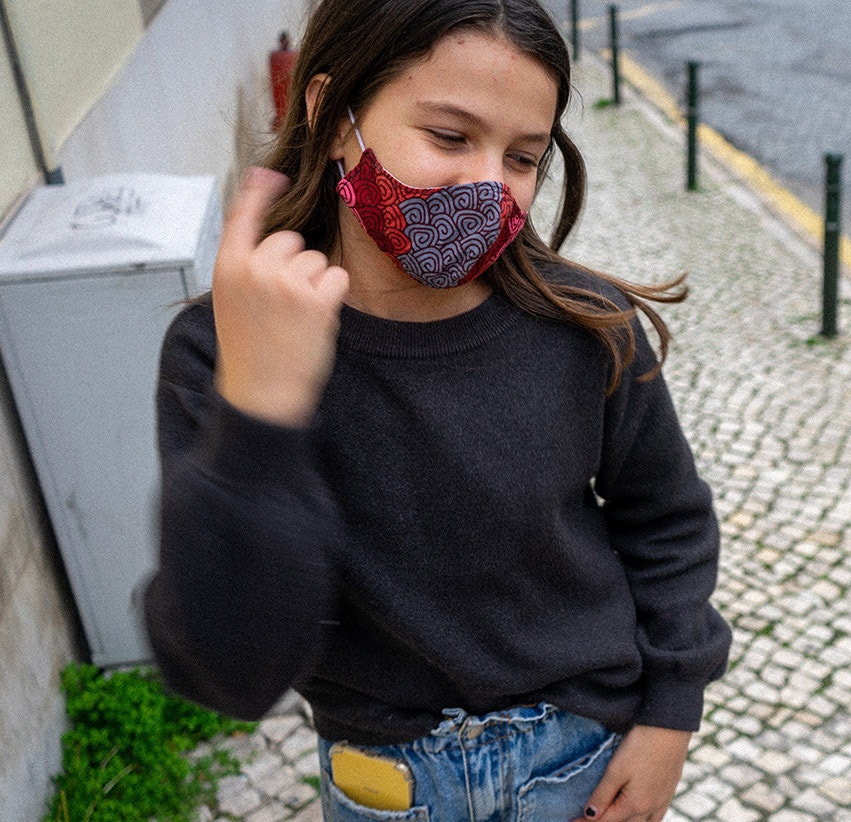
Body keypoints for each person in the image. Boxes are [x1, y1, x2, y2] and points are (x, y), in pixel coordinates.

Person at [142, 1, 732, 820]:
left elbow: (665, 518)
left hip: (582, 760)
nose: (488, 187)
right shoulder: (225, 350)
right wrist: (260, 414)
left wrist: (671, 713)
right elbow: (228, 667)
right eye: (450, 137)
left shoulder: (583, 329)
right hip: (385, 787)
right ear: (330, 111)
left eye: (523, 157)